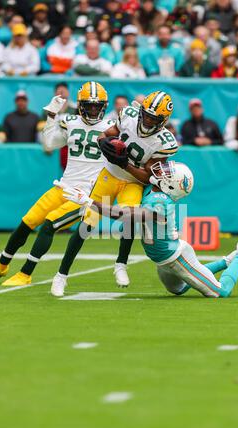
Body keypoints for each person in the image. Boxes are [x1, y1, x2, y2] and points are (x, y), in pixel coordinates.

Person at [61, 160, 238, 298]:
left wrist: (90, 203)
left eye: (168, 173)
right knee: (180, 289)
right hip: (164, 259)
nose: (162, 171)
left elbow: (125, 215)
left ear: (171, 185)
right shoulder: (154, 191)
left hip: (176, 257)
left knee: (220, 292)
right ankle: (227, 261)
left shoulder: (160, 201)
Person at [0, 82, 114, 286]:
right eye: (89, 105)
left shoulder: (111, 128)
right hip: (63, 187)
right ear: (80, 105)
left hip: (85, 196)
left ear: (104, 107)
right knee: (27, 221)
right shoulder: (70, 121)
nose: (94, 110)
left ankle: (26, 274)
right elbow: (49, 143)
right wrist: (52, 115)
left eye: (97, 106)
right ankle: (2, 265)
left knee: (49, 224)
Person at [50, 91, 178, 296]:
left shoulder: (165, 141)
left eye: (154, 118)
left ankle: (121, 264)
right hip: (108, 175)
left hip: (133, 182)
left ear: (163, 120)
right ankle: (61, 276)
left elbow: (147, 177)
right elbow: (106, 135)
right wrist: (103, 144)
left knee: (129, 218)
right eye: (146, 114)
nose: (147, 119)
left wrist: (124, 163)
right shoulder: (128, 114)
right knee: (86, 224)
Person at [39, 82, 77, 170]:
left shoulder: (76, 109)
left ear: (68, 92)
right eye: (59, 91)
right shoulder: (48, 110)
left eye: (64, 90)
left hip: (70, 143)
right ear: (55, 94)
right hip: (54, 140)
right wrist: (46, 143)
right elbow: (41, 128)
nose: (62, 93)